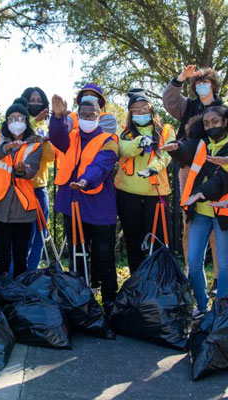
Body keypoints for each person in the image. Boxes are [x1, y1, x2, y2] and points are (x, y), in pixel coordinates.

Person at [49, 94, 118, 314]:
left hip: (99, 205)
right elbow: (56, 137)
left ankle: (109, 301)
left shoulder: (109, 139)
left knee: (104, 255)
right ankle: (79, 301)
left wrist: (86, 181)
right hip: (73, 203)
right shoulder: (72, 135)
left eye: (92, 115)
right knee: (77, 254)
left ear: (99, 116)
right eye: (84, 115)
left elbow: (102, 164)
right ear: (78, 117)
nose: (88, 118)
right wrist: (58, 116)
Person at [163, 66, 225, 293]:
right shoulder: (188, 106)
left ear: (214, 85)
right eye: (197, 84)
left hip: (217, 172)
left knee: (219, 225)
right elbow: (169, 101)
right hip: (189, 170)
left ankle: (219, 280)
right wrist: (180, 78)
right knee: (191, 221)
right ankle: (191, 274)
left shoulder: (223, 111)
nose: (201, 87)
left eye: (205, 83)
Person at [0, 99, 42, 278]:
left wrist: (22, 169)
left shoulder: (35, 144)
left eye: (20, 118)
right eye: (11, 119)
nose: (16, 122)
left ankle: (18, 297)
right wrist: (7, 147)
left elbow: (32, 169)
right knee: (2, 256)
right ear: (6, 122)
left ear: (27, 122)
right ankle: (1, 292)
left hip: (22, 206)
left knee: (21, 256)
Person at [114, 89, 175, 273]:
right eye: (135, 109)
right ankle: (137, 283)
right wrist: (138, 143)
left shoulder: (166, 130)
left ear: (151, 108)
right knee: (133, 242)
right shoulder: (124, 131)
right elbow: (123, 148)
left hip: (155, 195)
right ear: (130, 112)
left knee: (159, 242)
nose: (140, 112)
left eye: (143, 108)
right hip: (128, 194)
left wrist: (153, 168)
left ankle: (159, 282)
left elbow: (166, 154)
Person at [20, 87, 55, 270]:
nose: (35, 103)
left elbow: (50, 158)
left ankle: (32, 272)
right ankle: (17, 273)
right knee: (22, 236)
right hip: (20, 187)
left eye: (38, 100)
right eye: (31, 100)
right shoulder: (16, 121)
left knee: (40, 234)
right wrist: (34, 122)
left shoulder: (47, 126)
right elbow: (19, 136)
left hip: (39, 187)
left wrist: (46, 142)